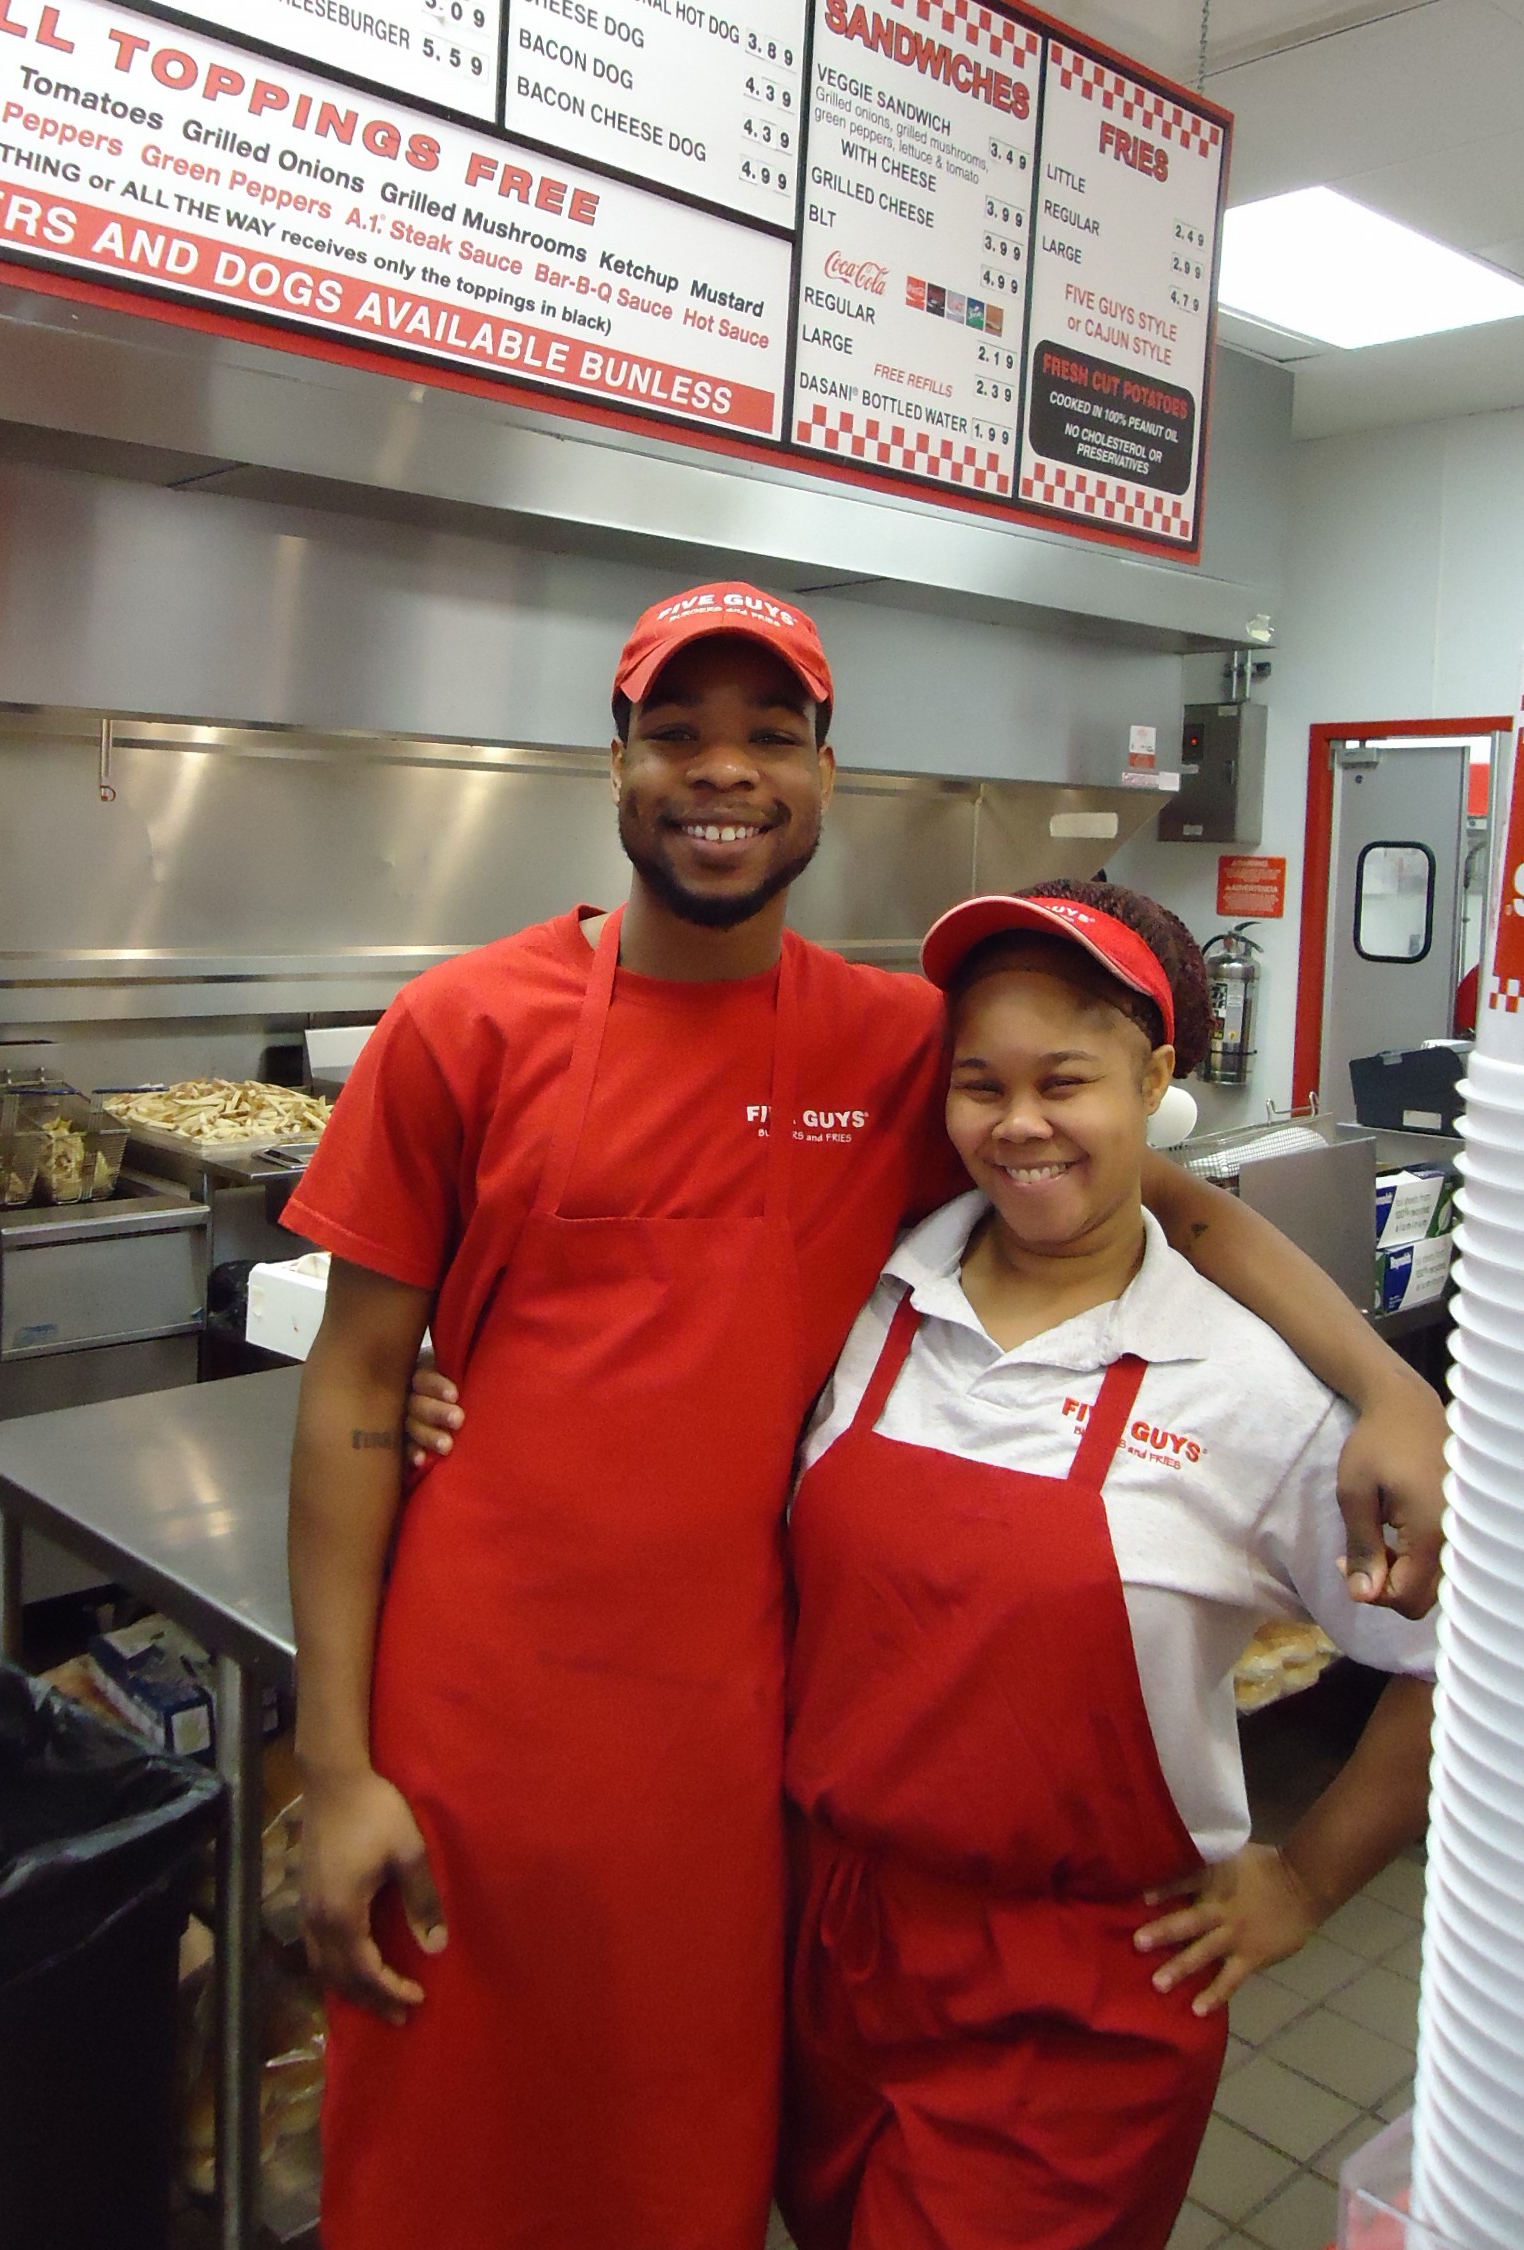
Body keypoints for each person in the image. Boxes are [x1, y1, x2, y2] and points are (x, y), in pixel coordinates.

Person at [296, 581, 1441, 2250]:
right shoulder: (462, 1026)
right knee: (448, 2172)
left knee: (675, 2181)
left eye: (772, 734)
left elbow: (1166, 1201)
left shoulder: (900, 1044)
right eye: (677, 730)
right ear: (610, 757)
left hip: (741, 1771)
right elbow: (347, 1384)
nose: (723, 770)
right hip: (476, 1733)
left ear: (827, 769)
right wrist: (334, 1763)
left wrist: (1388, 1382)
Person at [776, 886, 1435, 2250]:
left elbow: (1473, 1654)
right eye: (981, 1084)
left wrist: (1306, 1876)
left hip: (1068, 2003)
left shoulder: (1250, 1383)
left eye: (1063, 1080)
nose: (1017, 1123)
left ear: (1152, 1082)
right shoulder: (879, 1292)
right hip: (830, 1945)